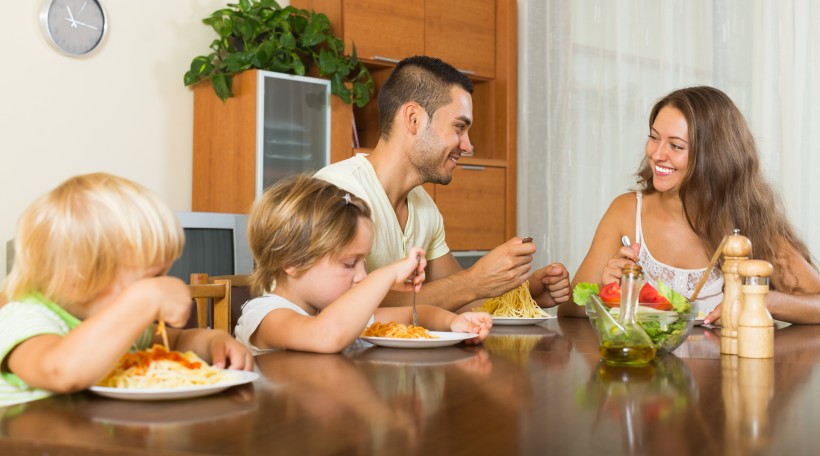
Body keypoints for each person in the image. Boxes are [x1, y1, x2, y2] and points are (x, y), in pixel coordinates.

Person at [315, 55, 570, 313]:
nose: (468, 146)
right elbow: (343, 307)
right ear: (413, 118)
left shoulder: (425, 207)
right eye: (459, 127)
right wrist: (474, 280)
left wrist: (525, 295)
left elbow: (463, 301)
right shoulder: (336, 191)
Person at [562, 86, 820, 324]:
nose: (657, 154)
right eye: (654, 138)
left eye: (676, 146)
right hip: (647, 371)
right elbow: (569, 310)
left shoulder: (751, 222)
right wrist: (609, 293)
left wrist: (765, 301)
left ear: (714, 156)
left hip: (725, 373)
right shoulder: (627, 211)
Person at [0, 173, 253, 407]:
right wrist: (145, 299)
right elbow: (61, 371)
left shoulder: (124, 329)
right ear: (76, 277)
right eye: (152, 277)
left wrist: (214, 341)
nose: (162, 284)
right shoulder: (24, 320)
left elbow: (176, 341)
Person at [233, 174, 493, 354]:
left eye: (364, 262)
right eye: (349, 264)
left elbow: (417, 314)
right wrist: (385, 276)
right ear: (293, 261)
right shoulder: (266, 315)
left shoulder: (333, 310)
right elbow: (327, 335)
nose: (361, 275)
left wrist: (454, 324)